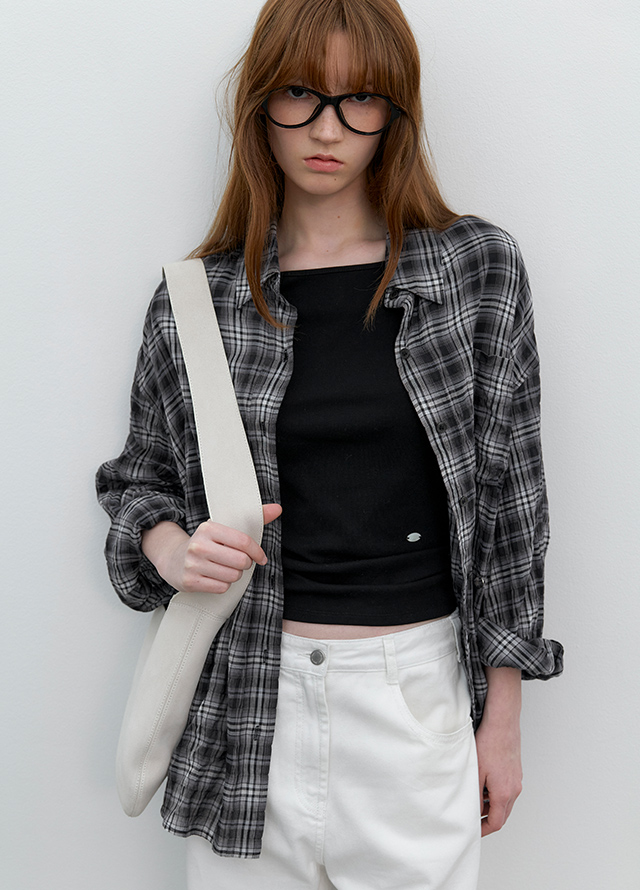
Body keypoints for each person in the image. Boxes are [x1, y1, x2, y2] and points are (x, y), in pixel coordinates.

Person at [96, 1, 563, 887]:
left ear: (395, 112)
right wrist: (172, 549)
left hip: (410, 704)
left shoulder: (475, 269)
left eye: (361, 99)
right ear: (260, 105)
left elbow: (513, 506)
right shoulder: (201, 297)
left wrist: (501, 722)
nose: (327, 128)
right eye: (301, 94)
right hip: (244, 705)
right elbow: (137, 480)